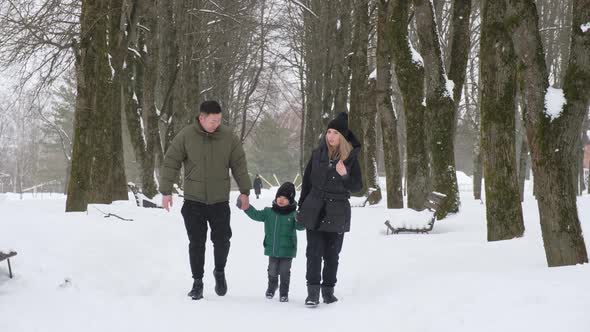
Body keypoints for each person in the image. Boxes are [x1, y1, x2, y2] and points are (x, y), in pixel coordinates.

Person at [159, 100, 252, 300]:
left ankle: (219, 271)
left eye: (219, 120)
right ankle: (197, 282)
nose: (216, 124)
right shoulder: (186, 136)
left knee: (222, 241)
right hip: (194, 201)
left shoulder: (228, 137)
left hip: (219, 202)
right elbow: (171, 162)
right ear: (201, 118)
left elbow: (239, 165)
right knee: (196, 243)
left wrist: (245, 191)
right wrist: (166, 191)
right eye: (212, 120)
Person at [297, 112, 362, 307]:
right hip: (314, 208)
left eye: (335, 133)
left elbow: (358, 186)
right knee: (313, 252)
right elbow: (307, 182)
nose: (330, 136)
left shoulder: (350, 159)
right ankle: (312, 293)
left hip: (338, 210)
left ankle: (328, 291)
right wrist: (302, 207)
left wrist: (344, 175)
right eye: (329, 132)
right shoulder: (317, 154)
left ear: (342, 137)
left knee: (332, 254)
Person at [243, 182, 304, 302]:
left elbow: (300, 227)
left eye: (285, 198)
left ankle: (284, 293)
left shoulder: (293, 214)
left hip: (287, 250)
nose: (281, 200)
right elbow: (256, 215)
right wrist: (247, 208)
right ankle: (272, 287)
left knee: (284, 271)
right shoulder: (268, 212)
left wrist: (301, 219)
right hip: (272, 248)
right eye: (279, 197)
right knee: (272, 270)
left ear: (290, 201)